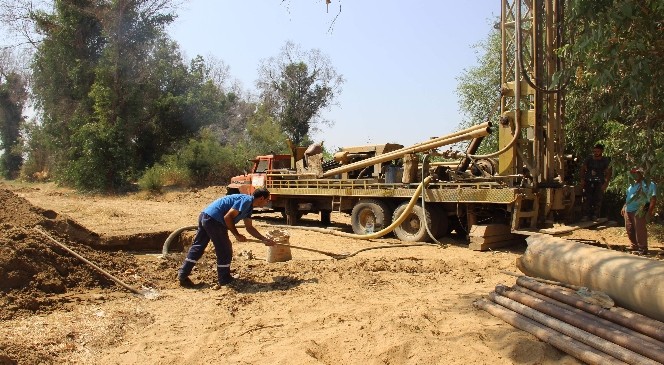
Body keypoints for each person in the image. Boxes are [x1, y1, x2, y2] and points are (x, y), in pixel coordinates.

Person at [177, 188, 275, 288]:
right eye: (267, 200)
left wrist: (263, 239)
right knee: (225, 249)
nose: (268, 202)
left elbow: (249, 227)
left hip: (206, 215)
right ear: (261, 198)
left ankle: (183, 274)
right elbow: (227, 217)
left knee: (198, 246)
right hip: (214, 220)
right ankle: (224, 279)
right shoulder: (246, 201)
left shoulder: (249, 207)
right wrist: (237, 235)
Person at [621, 167, 657, 255]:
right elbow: (629, 197)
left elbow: (653, 198)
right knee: (629, 228)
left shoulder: (649, 184)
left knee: (640, 228)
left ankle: (643, 247)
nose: (634, 175)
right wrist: (624, 207)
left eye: (636, 173)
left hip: (642, 208)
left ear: (641, 174)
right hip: (629, 209)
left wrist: (648, 211)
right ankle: (634, 245)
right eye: (632, 173)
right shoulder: (631, 185)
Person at [579, 143, 612, 220]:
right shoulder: (589, 159)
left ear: (601, 151)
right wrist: (582, 179)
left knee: (598, 198)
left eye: (597, 151)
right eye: (594, 151)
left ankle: (595, 215)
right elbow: (583, 169)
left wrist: (606, 183)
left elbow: (608, 172)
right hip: (589, 180)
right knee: (587, 198)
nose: (596, 153)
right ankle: (586, 215)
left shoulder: (605, 160)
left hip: (599, 181)